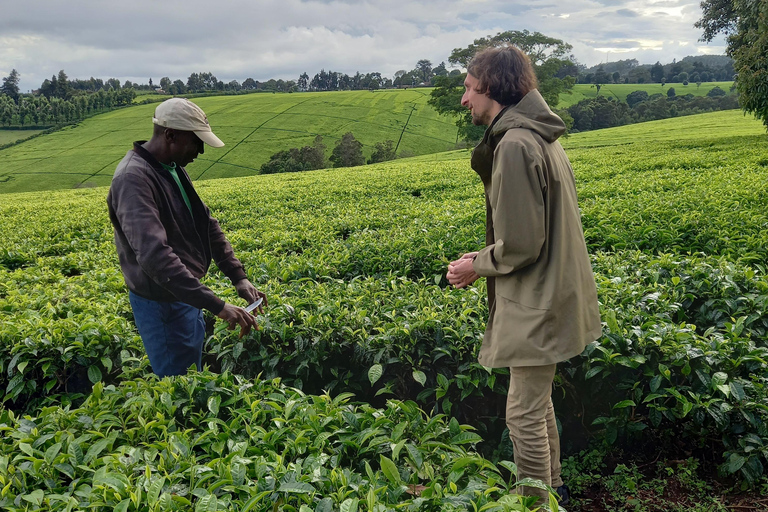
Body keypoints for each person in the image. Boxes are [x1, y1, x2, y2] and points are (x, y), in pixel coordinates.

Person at [446, 45, 601, 507]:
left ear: (490, 88)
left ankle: (536, 501)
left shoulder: (514, 144)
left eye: (469, 89)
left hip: (539, 299)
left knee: (521, 412)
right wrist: (487, 254)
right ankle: (554, 491)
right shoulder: (540, 135)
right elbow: (532, 229)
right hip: (555, 291)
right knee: (536, 402)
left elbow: (521, 245)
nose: (464, 100)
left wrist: (477, 265)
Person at [107, 98, 266, 378]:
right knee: (179, 385)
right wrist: (217, 306)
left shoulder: (171, 167)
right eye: (196, 142)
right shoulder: (133, 179)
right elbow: (155, 256)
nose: (201, 151)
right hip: (163, 303)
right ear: (170, 135)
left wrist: (238, 276)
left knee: (192, 372)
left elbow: (205, 224)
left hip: (184, 294)